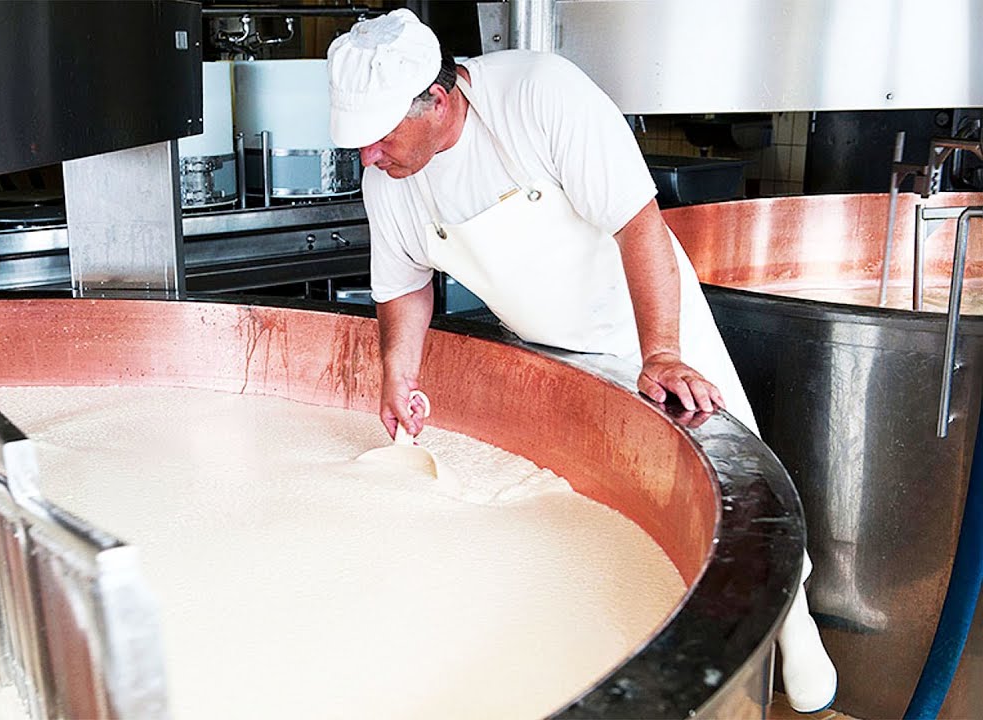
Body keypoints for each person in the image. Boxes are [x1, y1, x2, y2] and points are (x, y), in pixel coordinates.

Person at [326, 9, 837, 714]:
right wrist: (398, 373)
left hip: (644, 326)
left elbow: (636, 222)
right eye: (359, 143)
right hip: (547, 346)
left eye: (381, 137)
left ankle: (795, 624)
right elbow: (405, 284)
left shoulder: (540, 94)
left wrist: (663, 351)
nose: (369, 158)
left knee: (732, 491)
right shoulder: (389, 180)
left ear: (437, 100)